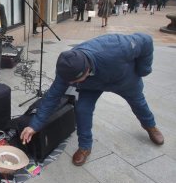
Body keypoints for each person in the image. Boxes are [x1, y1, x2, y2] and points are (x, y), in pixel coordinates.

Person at [20, 33, 164, 166]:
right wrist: (34, 125)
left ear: (86, 69)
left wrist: (143, 70)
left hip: (124, 79)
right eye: (69, 82)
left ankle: (150, 126)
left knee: (138, 103)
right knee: (82, 109)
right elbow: (52, 97)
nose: (70, 85)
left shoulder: (117, 46)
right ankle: (85, 146)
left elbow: (146, 40)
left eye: (74, 81)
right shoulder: (66, 70)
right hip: (91, 86)